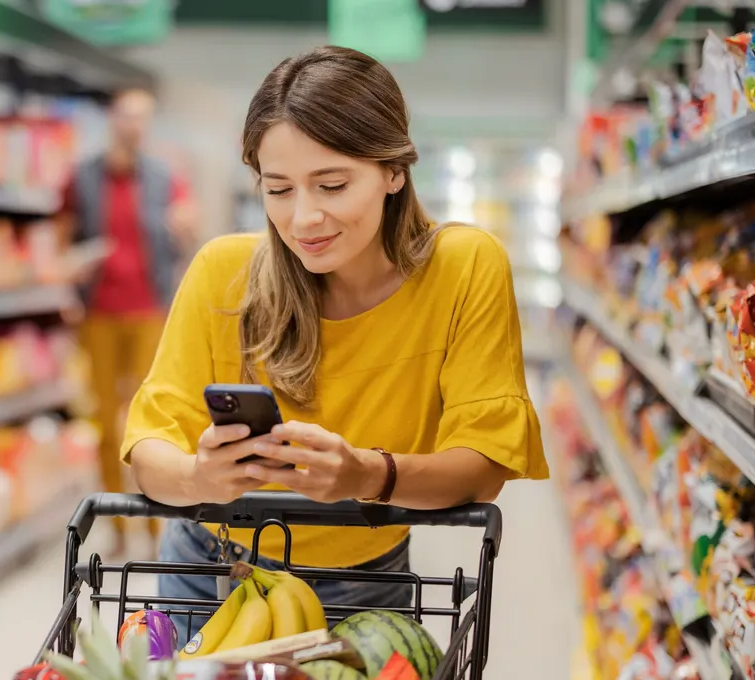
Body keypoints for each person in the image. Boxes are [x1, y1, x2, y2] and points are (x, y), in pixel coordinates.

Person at [120, 46, 549, 639]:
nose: (303, 219)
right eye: (279, 190)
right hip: (208, 569)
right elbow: (149, 450)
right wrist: (200, 479)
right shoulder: (223, 273)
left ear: (393, 170)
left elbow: (483, 467)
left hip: (363, 579)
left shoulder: (463, 268)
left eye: (331, 185)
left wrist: (365, 476)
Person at [63, 86, 197, 557]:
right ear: (112, 120)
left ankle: (157, 528)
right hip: (98, 312)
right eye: (126, 116)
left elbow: (186, 231)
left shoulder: (164, 177)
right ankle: (116, 526)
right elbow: (63, 236)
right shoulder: (83, 177)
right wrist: (70, 267)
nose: (134, 125)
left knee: (152, 423)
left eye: (143, 117)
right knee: (103, 420)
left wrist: (184, 229)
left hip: (149, 312)